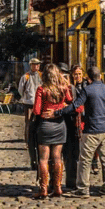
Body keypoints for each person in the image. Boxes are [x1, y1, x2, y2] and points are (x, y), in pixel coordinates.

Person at [57, 66, 105, 197]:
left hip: (91, 130)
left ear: (88, 78)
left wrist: (60, 111)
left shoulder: (87, 90)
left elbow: (75, 105)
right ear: (100, 76)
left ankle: (83, 188)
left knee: (84, 160)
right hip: (104, 130)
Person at [33, 63, 73, 198]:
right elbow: (70, 101)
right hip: (59, 125)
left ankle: (43, 189)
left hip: (45, 125)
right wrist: (59, 108)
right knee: (57, 157)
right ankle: (58, 187)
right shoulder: (63, 88)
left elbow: (37, 110)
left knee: (44, 159)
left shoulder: (41, 89)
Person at [62, 63, 85, 190]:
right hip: (65, 124)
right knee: (67, 154)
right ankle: (68, 181)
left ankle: (72, 181)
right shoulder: (66, 88)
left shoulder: (74, 88)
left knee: (73, 154)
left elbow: (79, 107)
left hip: (74, 124)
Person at [18, 58, 42, 170]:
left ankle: (37, 140)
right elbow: (20, 89)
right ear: (31, 65)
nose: (36, 67)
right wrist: (25, 97)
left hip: (39, 103)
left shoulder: (41, 76)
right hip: (29, 102)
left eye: (38, 65)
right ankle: (28, 141)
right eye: (34, 65)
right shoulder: (26, 76)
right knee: (28, 123)